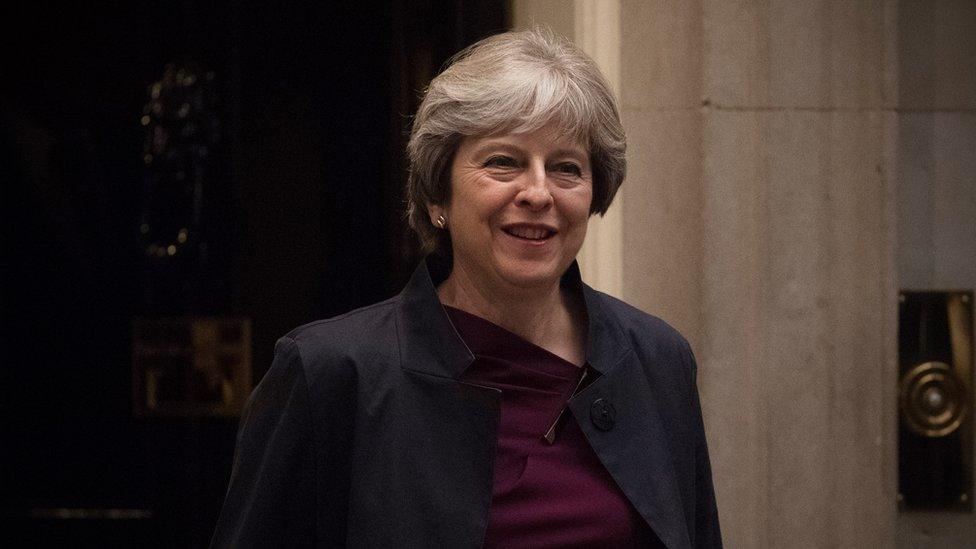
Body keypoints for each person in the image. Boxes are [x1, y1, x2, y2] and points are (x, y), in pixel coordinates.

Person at [211, 28, 721, 548]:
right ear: (439, 196)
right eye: (504, 162)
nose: (538, 192)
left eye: (567, 168)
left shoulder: (657, 360)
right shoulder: (329, 374)